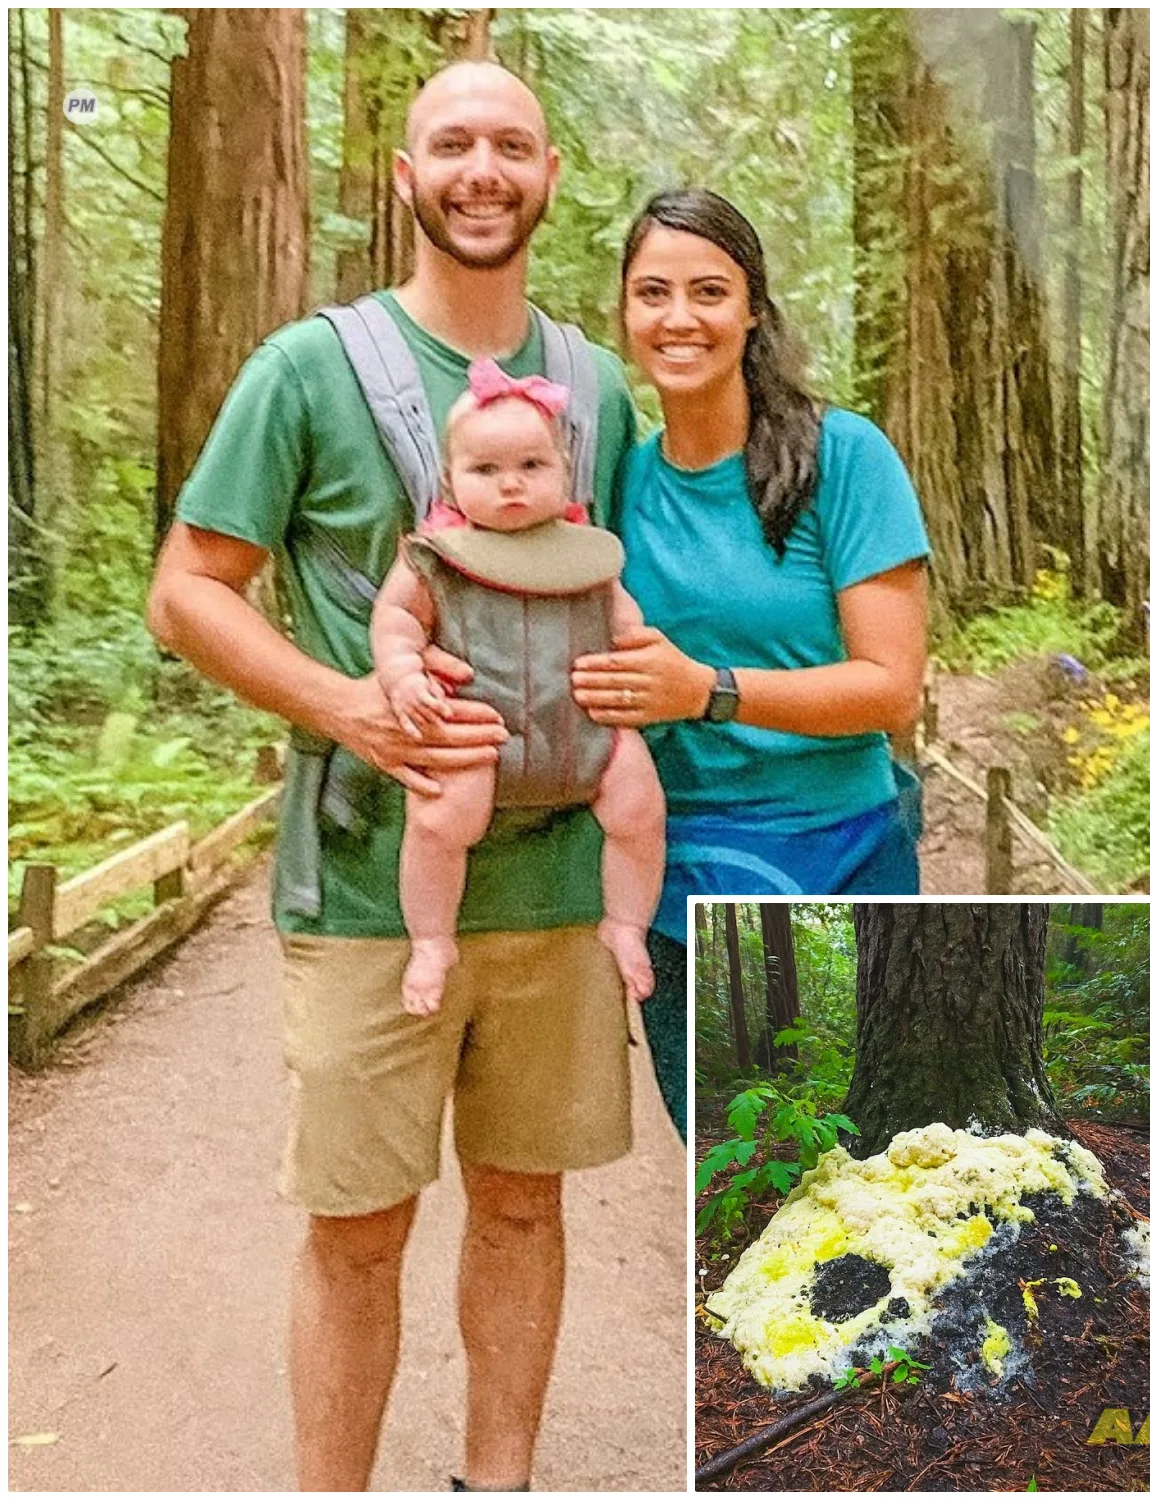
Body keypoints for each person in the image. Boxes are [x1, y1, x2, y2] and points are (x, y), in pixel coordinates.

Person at [148, 61, 644, 1494]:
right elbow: (189, 591)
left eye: (510, 146)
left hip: (555, 884)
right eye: (452, 145)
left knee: (523, 1210)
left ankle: (501, 1482)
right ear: (407, 177)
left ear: (550, 176)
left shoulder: (596, 387)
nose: (481, 169)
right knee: (357, 1226)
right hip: (372, 882)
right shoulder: (308, 369)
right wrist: (347, 705)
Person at [572, 189, 931, 1134]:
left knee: (873, 1156)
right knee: (731, 1181)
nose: (679, 318)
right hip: (683, 882)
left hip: (846, 855)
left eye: (708, 291)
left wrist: (707, 691)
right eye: (653, 293)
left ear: (752, 310)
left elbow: (892, 690)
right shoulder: (619, 484)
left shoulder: (842, 458)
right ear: (624, 312)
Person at [372, 358, 665, 1014]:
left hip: (588, 730)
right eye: (486, 471)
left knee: (641, 813)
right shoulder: (437, 558)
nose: (511, 485)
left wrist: (639, 656)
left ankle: (625, 924)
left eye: (532, 467)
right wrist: (402, 672)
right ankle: (431, 939)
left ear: (564, 472)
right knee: (440, 822)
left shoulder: (586, 554)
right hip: (478, 735)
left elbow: (625, 620)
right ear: (450, 481)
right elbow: (394, 620)